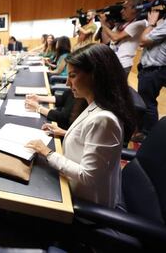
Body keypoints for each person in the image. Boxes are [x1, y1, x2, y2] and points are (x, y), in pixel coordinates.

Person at [25, 44, 135, 208]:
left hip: (84, 205)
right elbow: (90, 139)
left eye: (73, 76)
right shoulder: (94, 105)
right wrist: (66, 132)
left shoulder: (104, 120)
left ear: (95, 76)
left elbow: (88, 176)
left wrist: (46, 152)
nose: (68, 83)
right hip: (73, 187)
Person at [135, 0, 166, 141]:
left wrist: (151, 23)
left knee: (148, 103)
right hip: (151, 68)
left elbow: (144, 40)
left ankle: (148, 136)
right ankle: (142, 131)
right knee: (145, 101)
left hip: (158, 69)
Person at [99, 0, 147, 77]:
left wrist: (103, 25)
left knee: (117, 89)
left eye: (125, 8)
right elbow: (106, 41)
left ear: (135, 9)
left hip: (123, 64)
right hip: (111, 61)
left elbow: (115, 37)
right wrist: (105, 24)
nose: (121, 11)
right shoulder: (122, 23)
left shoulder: (140, 23)